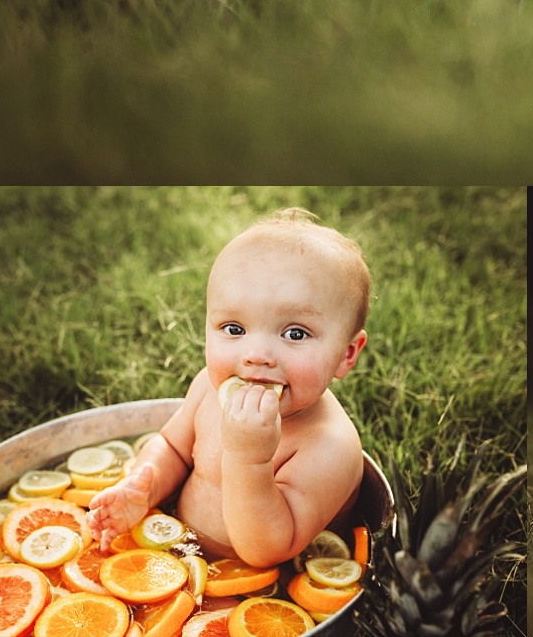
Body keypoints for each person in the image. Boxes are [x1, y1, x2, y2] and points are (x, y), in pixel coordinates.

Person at [86, 208, 369, 568]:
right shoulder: (208, 386)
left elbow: (267, 551)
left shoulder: (329, 445)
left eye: (295, 333)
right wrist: (144, 489)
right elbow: (173, 447)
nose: (256, 355)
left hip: (258, 588)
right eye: (234, 329)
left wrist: (249, 457)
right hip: (174, 552)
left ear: (346, 355)